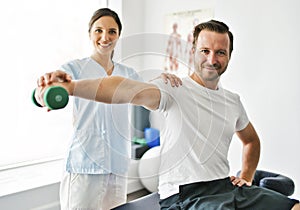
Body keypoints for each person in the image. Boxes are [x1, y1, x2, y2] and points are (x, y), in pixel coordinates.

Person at [35, 20, 300, 209]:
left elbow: (251, 140)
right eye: (205, 51)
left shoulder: (233, 101)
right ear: (192, 52)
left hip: (225, 187)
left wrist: (247, 176)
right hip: (186, 195)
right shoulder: (174, 88)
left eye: (221, 52)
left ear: (229, 56)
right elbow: (123, 89)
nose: (212, 59)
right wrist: (71, 87)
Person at [36, 8, 181, 210]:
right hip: (84, 167)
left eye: (112, 31)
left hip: (117, 168)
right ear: (89, 34)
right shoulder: (73, 69)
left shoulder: (127, 73)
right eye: (98, 31)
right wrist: (44, 91)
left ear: (118, 35)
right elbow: (44, 92)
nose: (105, 37)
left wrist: (162, 80)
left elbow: (147, 93)